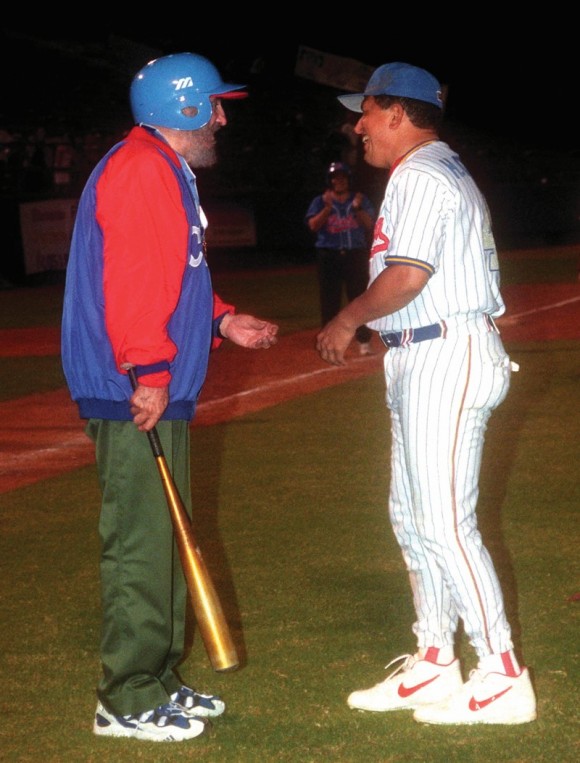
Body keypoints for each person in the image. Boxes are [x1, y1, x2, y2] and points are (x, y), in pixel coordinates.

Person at [61, 52, 279, 743]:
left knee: (164, 535)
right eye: (213, 105)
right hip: (132, 386)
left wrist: (219, 319)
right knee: (141, 543)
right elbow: (131, 279)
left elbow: (172, 271)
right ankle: (124, 696)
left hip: (154, 381)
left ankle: (157, 677)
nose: (221, 117)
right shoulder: (140, 169)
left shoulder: (161, 168)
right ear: (182, 108)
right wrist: (149, 369)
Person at [316, 62, 537, 725]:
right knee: (413, 517)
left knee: (441, 520)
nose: (358, 124)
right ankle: (438, 656)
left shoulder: (418, 172)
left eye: (368, 109)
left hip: (447, 350)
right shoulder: (437, 167)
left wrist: (348, 317)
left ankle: (500, 672)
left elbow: (409, 275)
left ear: (398, 113)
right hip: (425, 351)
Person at [305, 161, 376, 355]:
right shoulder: (321, 201)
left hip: (355, 255)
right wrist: (327, 208)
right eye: (335, 178)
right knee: (330, 301)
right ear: (330, 181)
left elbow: (369, 225)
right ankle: (329, 343)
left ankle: (364, 341)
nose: (339, 181)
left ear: (348, 179)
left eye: (342, 177)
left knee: (360, 298)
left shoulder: (359, 199)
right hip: (329, 256)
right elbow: (313, 225)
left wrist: (358, 208)